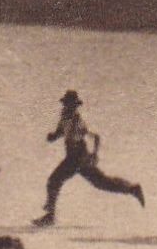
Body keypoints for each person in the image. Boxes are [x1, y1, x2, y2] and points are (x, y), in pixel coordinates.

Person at [34, 90, 144, 227]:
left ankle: (50, 216)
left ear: (75, 106)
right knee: (101, 182)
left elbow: (95, 137)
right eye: (66, 104)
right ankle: (132, 189)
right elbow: (59, 133)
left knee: (55, 180)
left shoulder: (77, 121)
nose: (67, 107)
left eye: (70, 105)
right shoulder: (64, 119)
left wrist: (94, 154)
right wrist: (52, 137)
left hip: (78, 157)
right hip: (74, 157)